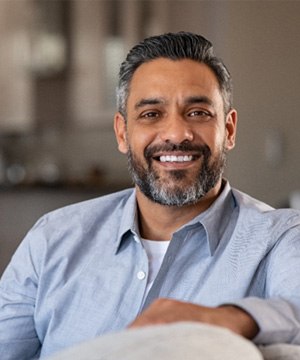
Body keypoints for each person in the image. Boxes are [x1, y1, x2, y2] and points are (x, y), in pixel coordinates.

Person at [0, 31, 300, 360]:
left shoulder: (282, 238)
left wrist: (229, 318)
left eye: (198, 112)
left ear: (228, 130)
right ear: (122, 132)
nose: (176, 134)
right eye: (151, 114)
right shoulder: (52, 238)